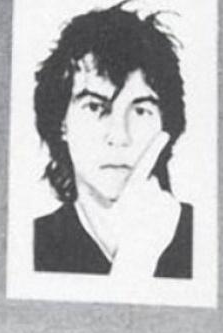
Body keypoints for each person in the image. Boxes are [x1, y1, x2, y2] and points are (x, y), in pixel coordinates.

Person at [32, 3, 192, 279]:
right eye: (95, 107)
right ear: (61, 123)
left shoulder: (206, 239)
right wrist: (133, 263)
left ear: (166, 126)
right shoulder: (29, 247)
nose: (119, 136)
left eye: (140, 111)